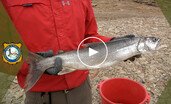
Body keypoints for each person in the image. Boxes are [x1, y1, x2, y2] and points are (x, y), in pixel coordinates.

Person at [1, 0, 140, 103]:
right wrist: (36, 65)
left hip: (82, 91)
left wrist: (113, 43)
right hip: (42, 96)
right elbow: (3, 49)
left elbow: (89, 37)